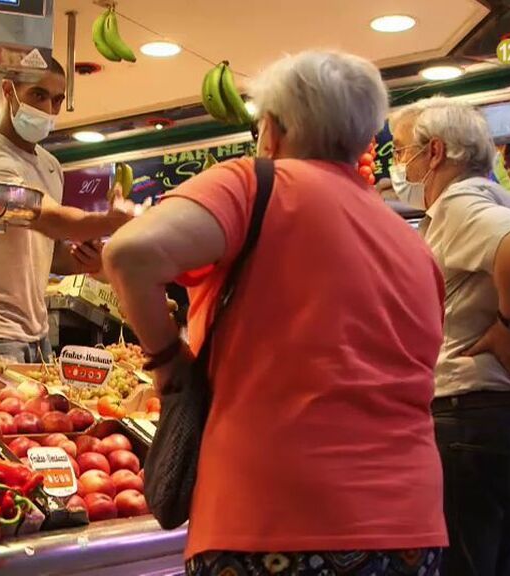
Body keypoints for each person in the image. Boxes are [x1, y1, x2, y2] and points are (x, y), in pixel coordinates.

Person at [104, 51, 447, 576]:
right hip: (409, 530)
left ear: (271, 128)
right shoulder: (414, 246)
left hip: (271, 524)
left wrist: (170, 364)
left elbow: (130, 254)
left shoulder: (253, 184)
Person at [389, 96, 510, 576]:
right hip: (501, 417)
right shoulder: (495, 198)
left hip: (468, 419)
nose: (397, 163)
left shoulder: (461, 203)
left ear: (435, 152)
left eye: (402, 149)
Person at [0, 59, 131, 362]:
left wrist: (82, 261)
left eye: (57, 100)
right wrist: (110, 221)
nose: (49, 109)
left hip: (37, 336)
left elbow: (53, 252)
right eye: (39, 95)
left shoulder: (50, 167)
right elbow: (47, 219)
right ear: (9, 91)